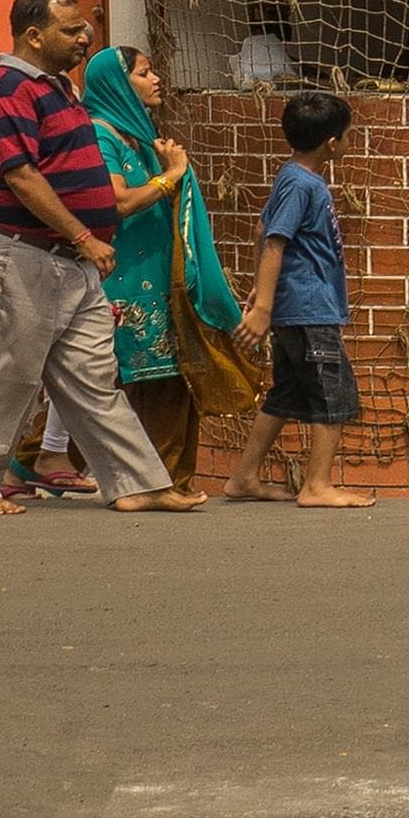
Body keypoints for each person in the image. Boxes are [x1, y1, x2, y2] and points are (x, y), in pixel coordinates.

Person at [0, 0, 198, 515]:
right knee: (3, 375)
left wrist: (82, 242)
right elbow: (20, 175)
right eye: (71, 29)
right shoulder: (7, 89)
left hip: (70, 262)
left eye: (83, 27)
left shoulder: (57, 88)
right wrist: (83, 234)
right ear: (34, 35)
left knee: (94, 379)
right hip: (24, 257)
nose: (85, 37)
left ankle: (136, 484)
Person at [81, 38, 241, 502]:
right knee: (123, 381)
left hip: (156, 280)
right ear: (116, 83)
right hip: (124, 282)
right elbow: (118, 202)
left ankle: (163, 481)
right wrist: (171, 175)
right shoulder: (100, 135)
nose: (156, 80)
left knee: (164, 381)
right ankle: (148, 480)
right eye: (144, 73)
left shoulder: (138, 137)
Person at [231, 87, 374, 510]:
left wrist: (262, 287)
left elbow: (262, 230)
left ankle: (244, 477)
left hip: (298, 305)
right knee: (334, 393)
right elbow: (274, 240)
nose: (349, 141)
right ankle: (317, 485)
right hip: (308, 307)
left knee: (288, 392)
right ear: (332, 143)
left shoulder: (292, 177)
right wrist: (262, 308)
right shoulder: (302, 185)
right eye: (348, 135)